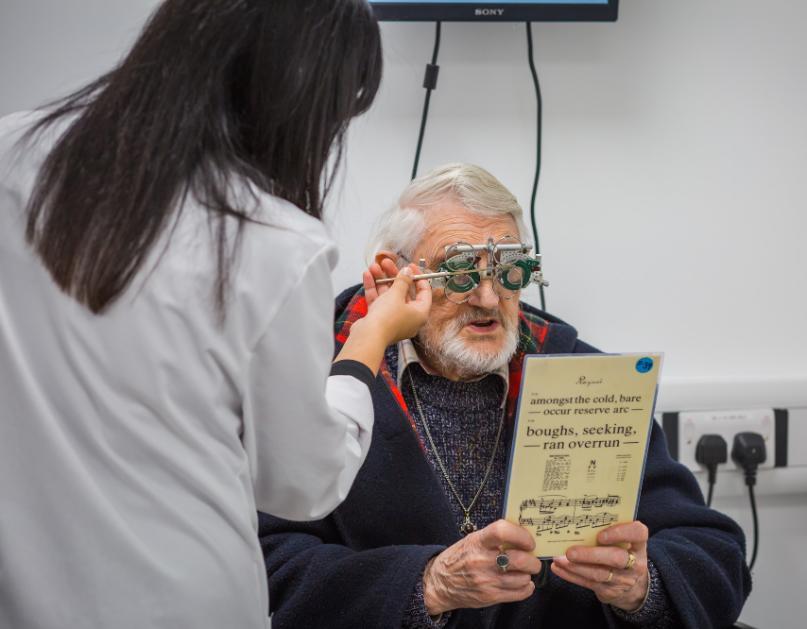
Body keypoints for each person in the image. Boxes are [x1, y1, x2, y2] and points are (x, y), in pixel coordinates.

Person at [0, 1, 430, 628]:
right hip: (185, 598)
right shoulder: (275, 243)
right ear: (294, 95)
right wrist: (370, 339)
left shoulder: (13, 153)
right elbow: (301, 484)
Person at [259, 164, 752, 628]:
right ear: (395, 276)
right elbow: (269, 562)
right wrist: (428, 584)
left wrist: (643, 587)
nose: (489, 299)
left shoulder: (582, 376)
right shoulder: (321, 376)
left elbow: (715, 552)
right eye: (459, 272)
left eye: (510, 271)